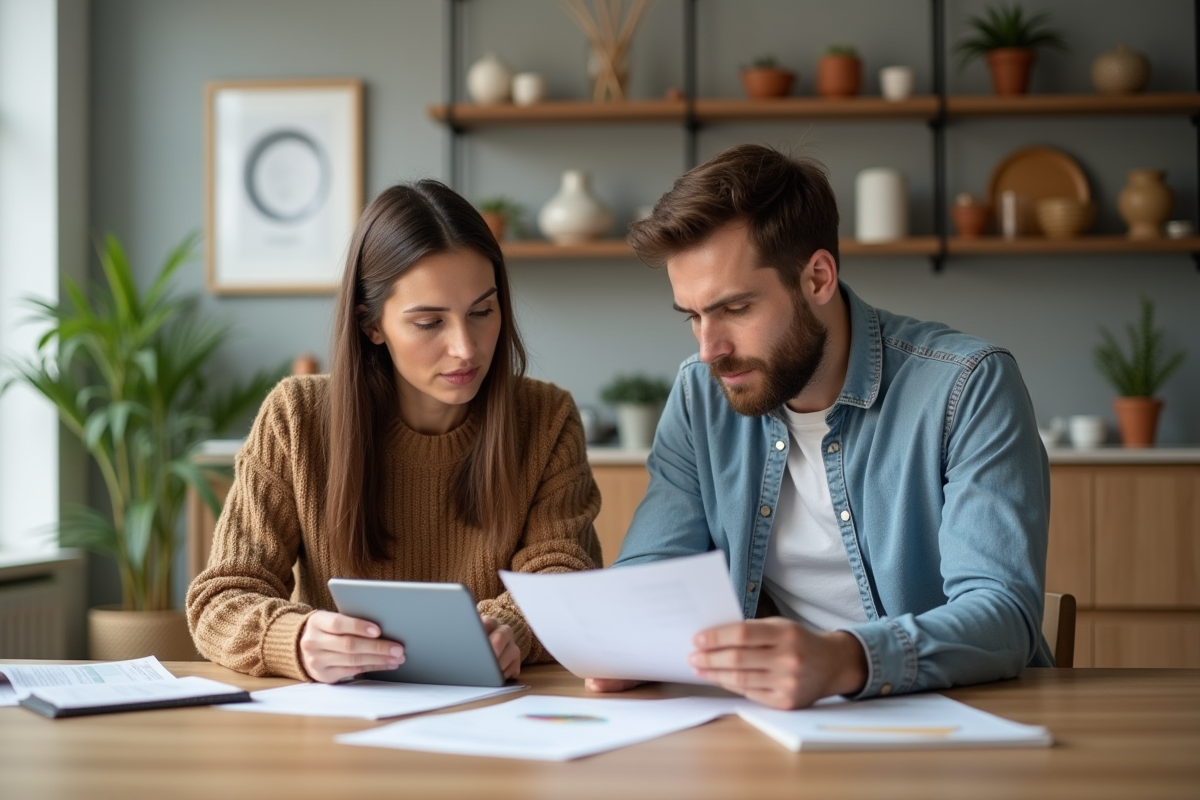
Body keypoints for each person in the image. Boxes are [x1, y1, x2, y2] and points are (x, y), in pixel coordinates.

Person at [587, 144, 1052, 709]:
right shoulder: (699, 394)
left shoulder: (968, 386)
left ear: (818, 277)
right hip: (778, 725)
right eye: (693, 315)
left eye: (735, 309)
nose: (709, 350)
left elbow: (1003, 615)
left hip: (963, 717)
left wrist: (843, 659)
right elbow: (653, 569)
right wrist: (624, 638)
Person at [187, 180, 602, 684]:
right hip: (337, 723)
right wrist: (293, 637)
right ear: (371, 325)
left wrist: (507, 627)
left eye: (482, 312)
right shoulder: (295, 417)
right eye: (430, 322)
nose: (466, 349)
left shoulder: (546, 418)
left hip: (497, 718)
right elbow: (222, 598)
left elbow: (564, 577)